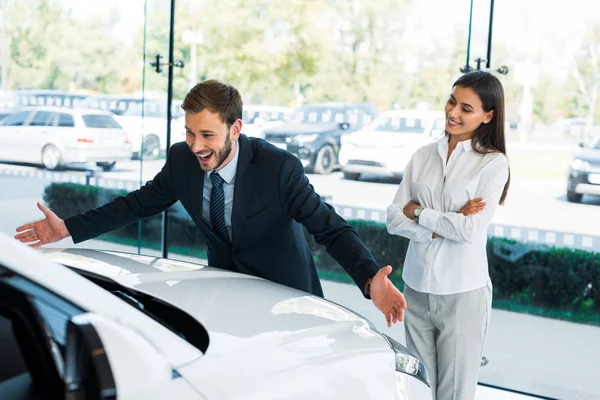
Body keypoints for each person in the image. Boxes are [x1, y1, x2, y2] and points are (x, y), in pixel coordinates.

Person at [15, 79, 406, 327]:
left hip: (288, 298)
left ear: (235, 129)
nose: (196, 146)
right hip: (226, 292)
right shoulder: (182, 160)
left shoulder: (278, 169)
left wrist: (370, 279)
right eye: (189, 132)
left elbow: (330, 229)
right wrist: (67, 228)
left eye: (207, 134)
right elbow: (136, 204)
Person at [386, 70, 510, 399]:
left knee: (454, 392)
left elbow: (469, 230)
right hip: (416, 288)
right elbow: (392, 219)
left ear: (488, 116)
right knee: (420, 387)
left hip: (462, 292)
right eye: (452, 101)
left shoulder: (493, 165)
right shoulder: (423, 156)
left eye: (466, 109)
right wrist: (443, 224)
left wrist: (420, 213)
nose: (453, 113)